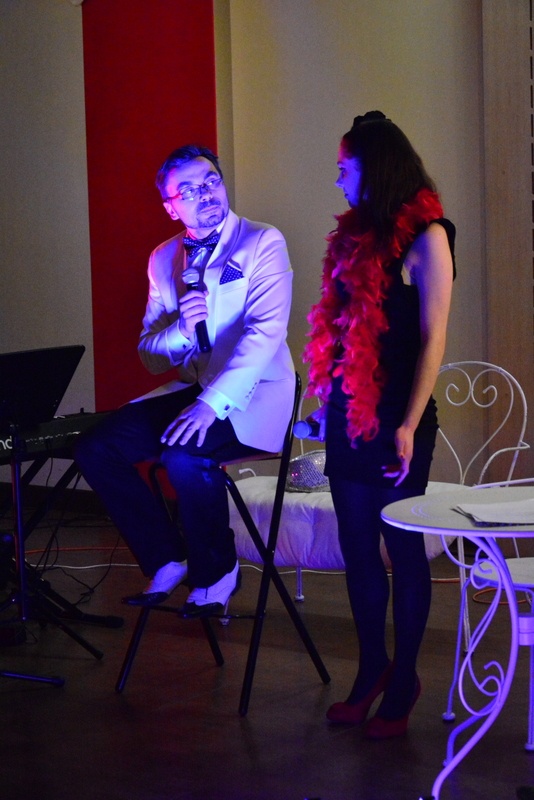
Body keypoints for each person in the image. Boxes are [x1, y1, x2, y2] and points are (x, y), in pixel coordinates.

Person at [75, 144, 294, 616]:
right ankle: (166, 558)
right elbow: (150, 355)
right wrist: (179, 330)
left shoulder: (263, 241)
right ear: (171, 207)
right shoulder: (162, 258)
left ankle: (217, 571)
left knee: (184, 455)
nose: (206, 194)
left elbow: (265, 336)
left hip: (255, 394)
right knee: (96, 447)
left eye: (211, 181)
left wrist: (210, 404)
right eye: (189, 190)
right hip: (193, 389)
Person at [303, 111, 455, 738]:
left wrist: (410, 424)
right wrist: (326, 401)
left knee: (401, 546)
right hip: (349, 414)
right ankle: (371, 668)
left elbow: (433, 338)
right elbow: (340, 331)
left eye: (346, 168)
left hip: (398, 416)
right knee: (358, 546)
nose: (338, 178)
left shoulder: (428, 237)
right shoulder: (353, 237)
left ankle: (405, 678)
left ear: (376, 166)